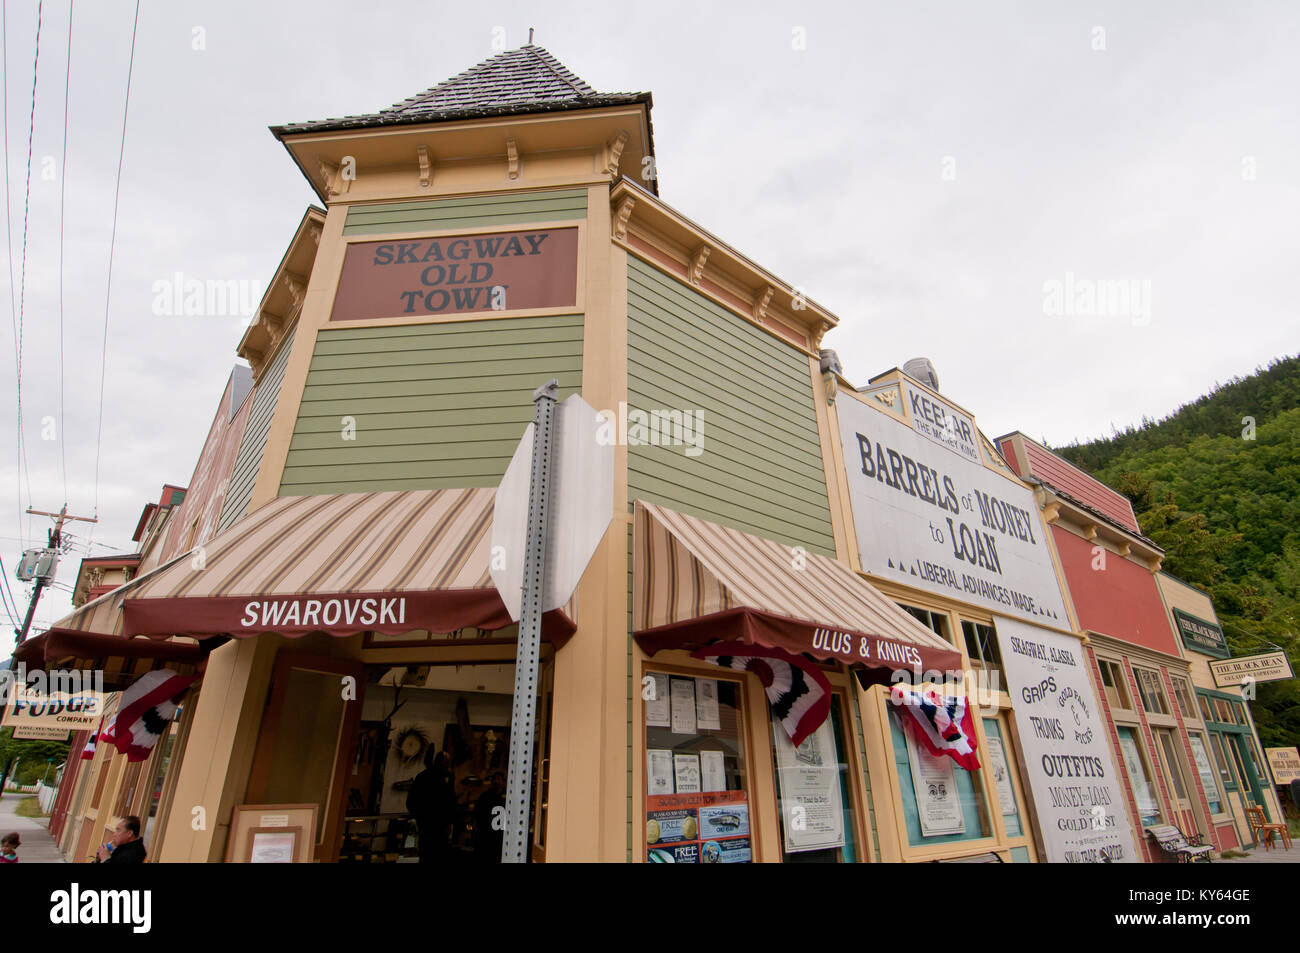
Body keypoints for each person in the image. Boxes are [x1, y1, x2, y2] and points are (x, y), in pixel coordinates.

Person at [405, 749, 457, 863]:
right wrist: (420, 816)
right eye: (445, 762)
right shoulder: (428, 777)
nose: (447, 764)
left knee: (433, 852)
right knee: (431, 852)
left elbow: (451, 801)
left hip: (435, 822)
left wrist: (449, 821)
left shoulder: (446, 776)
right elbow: (412, 800)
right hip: (429, 822)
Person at [472, 772, 506, 862]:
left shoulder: (507, 797)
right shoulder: (485, 796)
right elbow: (477, 811)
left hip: (500, 834)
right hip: (486, 833)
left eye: (499, 779)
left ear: (503, 782)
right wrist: (475, 824)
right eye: (495, 779)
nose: (496, 782)